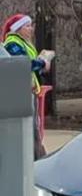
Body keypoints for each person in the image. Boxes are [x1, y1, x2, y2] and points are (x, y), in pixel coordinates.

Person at [3, 13, 53, 158]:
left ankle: (37, 156)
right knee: (30, 128)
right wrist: (42, 63)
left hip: (28, 89)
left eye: (31, 25)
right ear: (18, 29)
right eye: (27, 26)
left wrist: (40, 65)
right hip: (22, 91)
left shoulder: (22, 43)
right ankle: (36, 158)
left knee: (33, 128)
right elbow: (24, 63)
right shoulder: (13, 43)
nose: (30, 29)